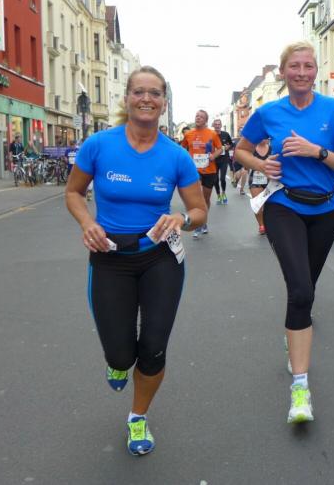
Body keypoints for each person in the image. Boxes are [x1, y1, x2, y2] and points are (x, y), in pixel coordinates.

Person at [64, 65, 207, 456]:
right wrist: (87, 222)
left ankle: (138, 416)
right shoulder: (98, 145)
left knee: (154, 347)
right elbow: (74, 193)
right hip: (109, 258)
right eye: (139, 91)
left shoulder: (176, 156)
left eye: (155, 93)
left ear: (164, 102)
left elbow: (199, 211)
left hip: (160, 258)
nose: (147, 99)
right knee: (120, 353)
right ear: (126, 98)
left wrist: (181, 219)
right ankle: (117, 361)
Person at [234, 41, 334, 424]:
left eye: (308, 66)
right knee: (301, 290)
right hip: (284, 205)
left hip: (326, 210)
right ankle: (300, 388)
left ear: (315, 71)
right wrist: (261, 165)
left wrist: (315, 151)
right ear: (284, 72)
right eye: (294, 66)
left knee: (307, 288)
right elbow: (240, 151)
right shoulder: (268, 112)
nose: (302, 72)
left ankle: (295, 334)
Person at [180, 110, 222, 238]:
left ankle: (203, 220)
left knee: (205, 199)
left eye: (201, 117)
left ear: (206, 120)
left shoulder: (212, 134)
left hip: (209, 170)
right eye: (197, 116)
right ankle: (197, 224)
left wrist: (213, 156)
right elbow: (182, 148)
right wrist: (187, 158)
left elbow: (220, 149)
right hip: (194, 170)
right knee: (197, 198)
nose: (198, 118)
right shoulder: (189, 134)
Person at [248, 138, 271, 234]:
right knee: (257, 203)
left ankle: (268, 223)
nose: (263, 139)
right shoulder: (252, 149)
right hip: (255, 179)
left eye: (266, 137)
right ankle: (261, 225)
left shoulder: (272, 149)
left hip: (270, 180)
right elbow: (246, 163)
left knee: (269, 205)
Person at [212, 118, 233, 205]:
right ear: (213, 125)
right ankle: (218, 195)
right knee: (215, 179)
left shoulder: (225, 134)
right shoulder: (211, 135)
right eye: (216, 124)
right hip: (214, 160)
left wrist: (228, 147)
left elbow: (231, 144)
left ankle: (223, 193)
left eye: (218, 124)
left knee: (222, 178)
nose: (217, 126)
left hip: (224, 159)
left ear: (221, 125)